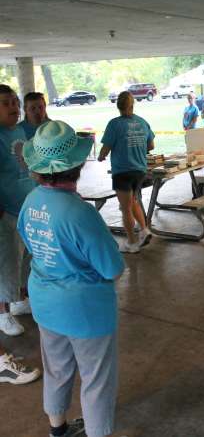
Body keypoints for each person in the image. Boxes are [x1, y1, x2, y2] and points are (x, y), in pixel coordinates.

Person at [17, 120, 125, 437]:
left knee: (57, 369)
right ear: (76, 164)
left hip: (46, 305)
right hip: (85, 311)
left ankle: (58, 430)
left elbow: (31, 243)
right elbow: (112, 269)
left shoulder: (31, 201)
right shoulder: (81, 213)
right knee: (96, 379)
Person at [98, 91, 155, 253]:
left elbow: (105, 149)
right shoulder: (142, 122)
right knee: (134, 201)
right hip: (140, 171)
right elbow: (151, 146)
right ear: (132, 105)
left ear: (118, 106)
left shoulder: (114, 124)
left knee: (125, 208)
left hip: (122, 171)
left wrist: (102, 157)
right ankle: (144, 230)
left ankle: (132, 242)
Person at [0, 84, 36, 337]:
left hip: (26, 207)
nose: (14, 107)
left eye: (15, 102)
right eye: (6, 103)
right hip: (6, 211)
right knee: (7, 263)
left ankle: (21, 300)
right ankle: (3, 314)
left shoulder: (21, 130)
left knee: (26, 259)